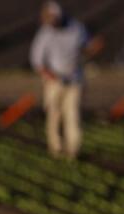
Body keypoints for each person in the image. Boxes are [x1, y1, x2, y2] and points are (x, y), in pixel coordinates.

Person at [29, 1, 103, 158]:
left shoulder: (76, 28)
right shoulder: (45, 33)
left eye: (52, 18)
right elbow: (37, 60)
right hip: (54, 81)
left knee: (73, 114)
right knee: (54, 115)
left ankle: (73, 151)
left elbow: (86, 47)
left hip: (75, 80)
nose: (50, 21)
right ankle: (55, 149)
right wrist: (50, 76)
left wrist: (93, 48)